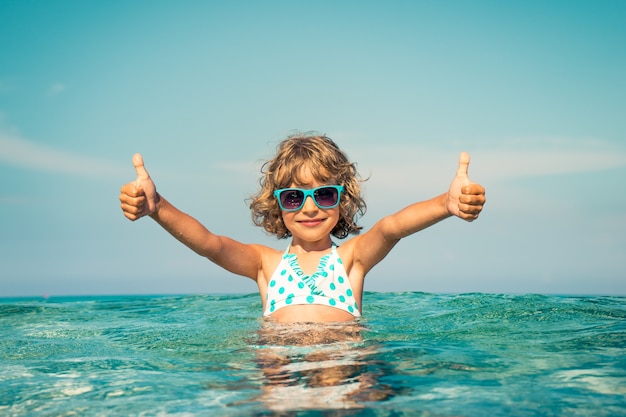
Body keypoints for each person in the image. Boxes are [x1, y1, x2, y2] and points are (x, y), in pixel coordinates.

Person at [119, 133, 486, 323]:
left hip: (341, 363)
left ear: (342, 201)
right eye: (294, 197)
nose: (310, 207)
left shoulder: (351, 260)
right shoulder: (265, 265)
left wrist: (445, 204)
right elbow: (210, 244)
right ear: (278, 205)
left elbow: (391, 228)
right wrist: (158, 208)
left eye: (324, 194)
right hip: (276, 362)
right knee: (271, 382)